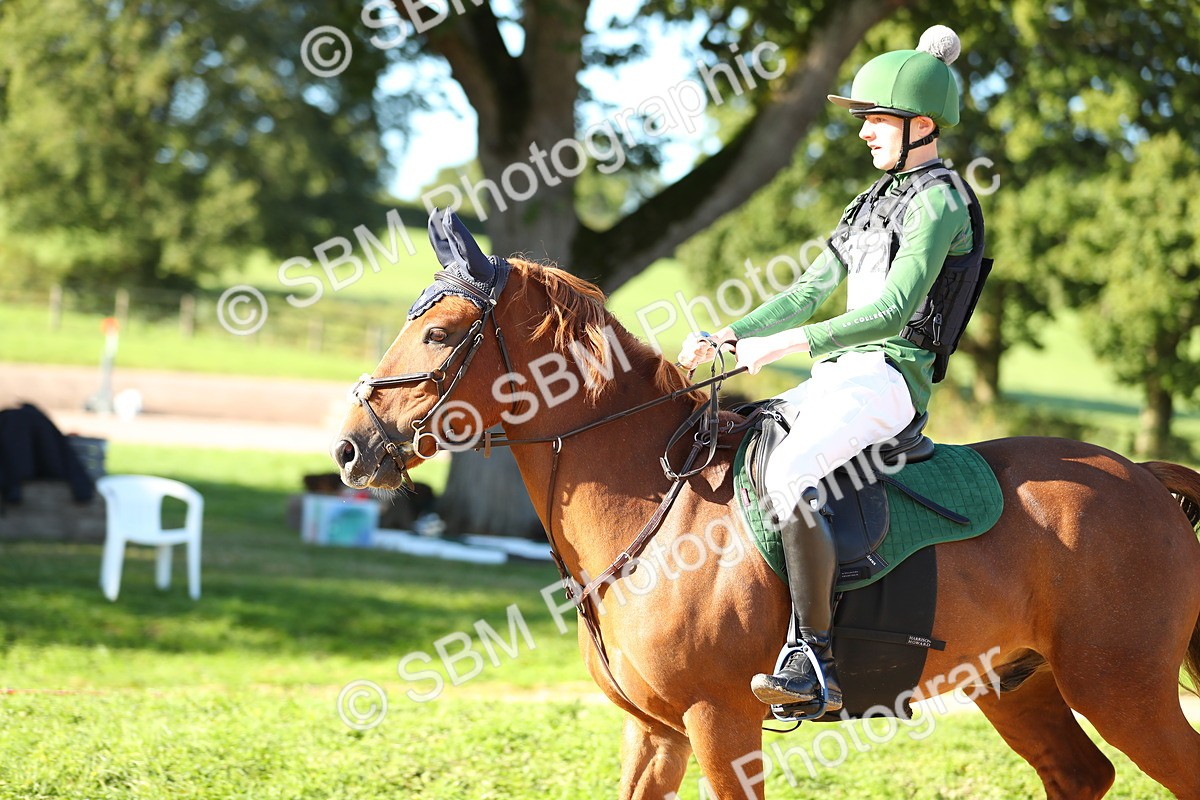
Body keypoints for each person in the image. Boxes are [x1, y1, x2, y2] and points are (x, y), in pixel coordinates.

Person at [677, 25, 989, 714]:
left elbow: (892, 311)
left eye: (876, 119)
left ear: (921, 124)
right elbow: (810, 290)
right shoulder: (871, 201)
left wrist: (784, 345)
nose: (865, 133)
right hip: (844, 375)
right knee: (752, 444)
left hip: (889, 379)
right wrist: (733, 332)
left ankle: (811, 657)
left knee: (791, 472)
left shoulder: (940, 200)